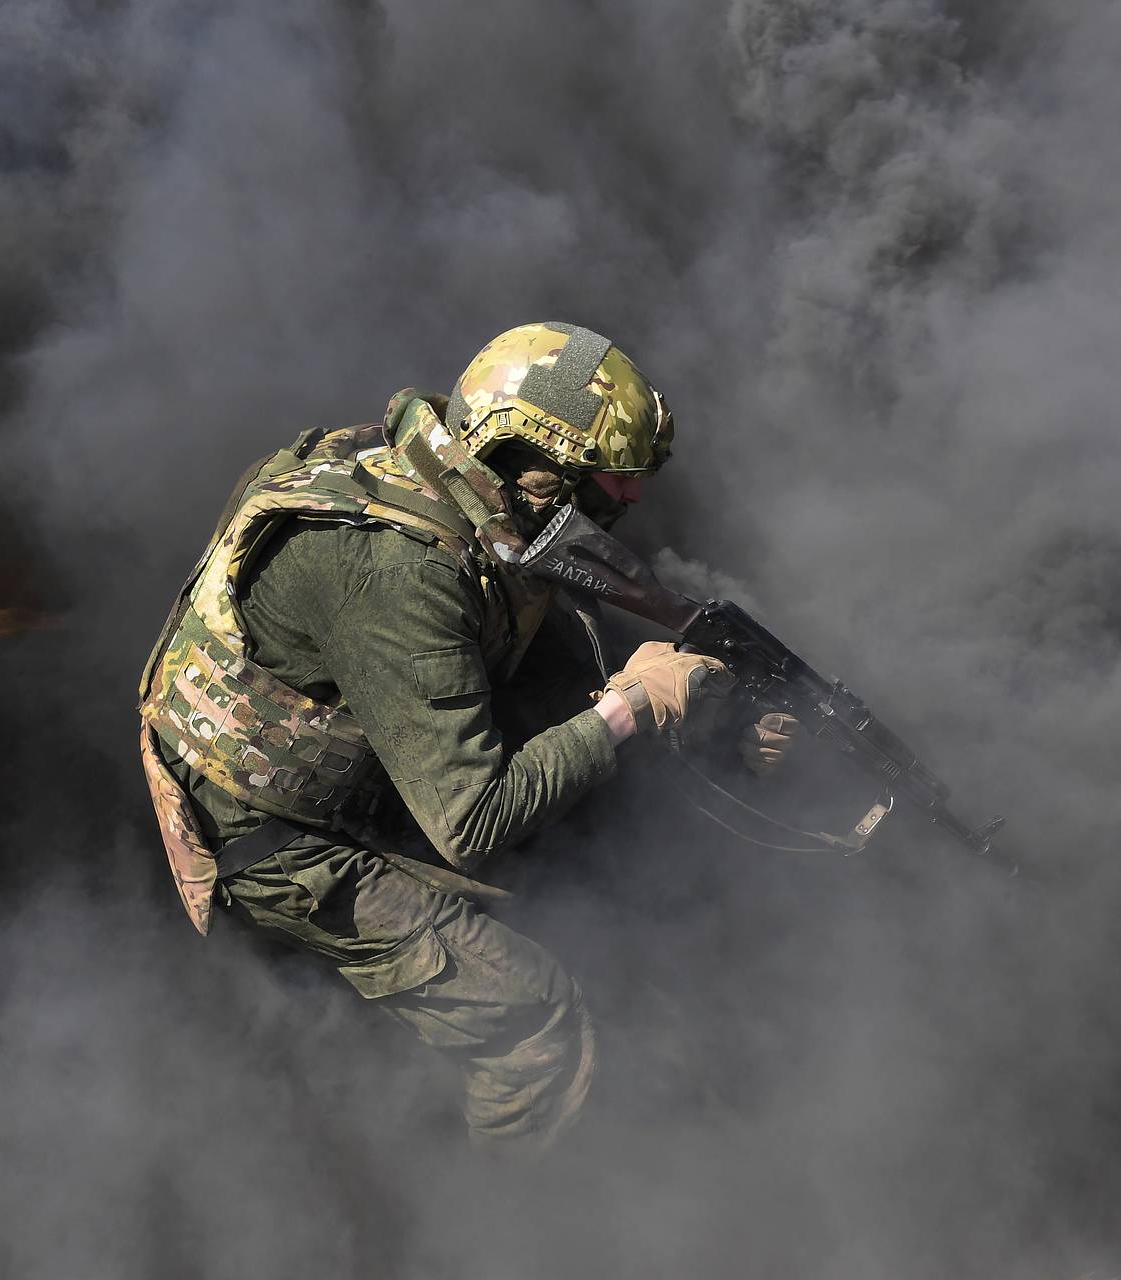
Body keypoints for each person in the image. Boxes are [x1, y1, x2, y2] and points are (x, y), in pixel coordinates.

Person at [138, 322, 798, 1149]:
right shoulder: (399, 572)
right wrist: (633, 704)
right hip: (271, 836)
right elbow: (471, 823)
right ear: (521, 454)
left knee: (598, 776)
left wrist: (708, 704)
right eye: (601, 483)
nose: (626, 502)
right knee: (533, 1015)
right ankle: (508, 1207)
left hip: (366, 717)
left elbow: (547, 609)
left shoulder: (447, 476)